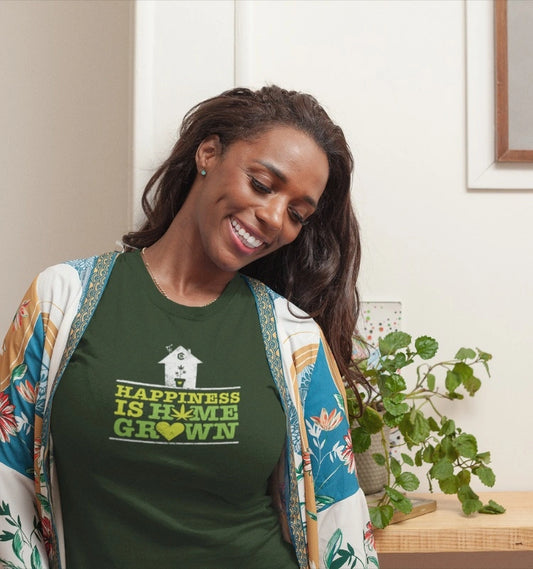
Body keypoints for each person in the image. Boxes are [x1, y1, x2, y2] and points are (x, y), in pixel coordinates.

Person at [0, 86, 379, 569]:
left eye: (296, 213)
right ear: (209, 153)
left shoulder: (294, 337)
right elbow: (7, 482)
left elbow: (338, 514)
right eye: (262, 184)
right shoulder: (62, 299)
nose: (272, 217)